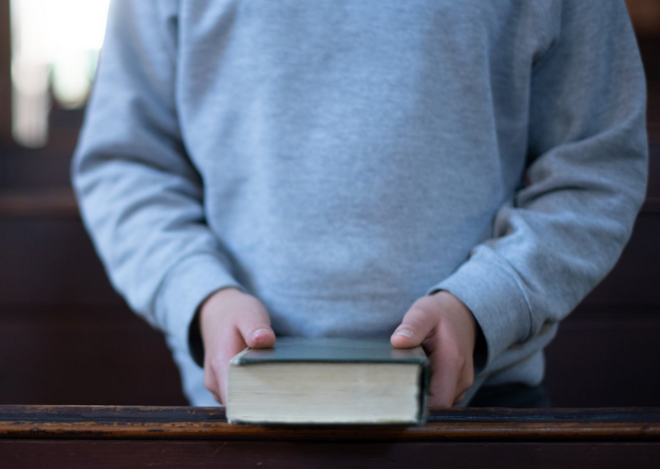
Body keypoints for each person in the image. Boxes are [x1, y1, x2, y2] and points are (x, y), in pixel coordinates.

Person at [71, 0, 649, 408]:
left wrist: (483, 306)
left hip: (482, 412)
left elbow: (596, 164)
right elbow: (128, 165)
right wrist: (202, 296)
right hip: (239, 410)